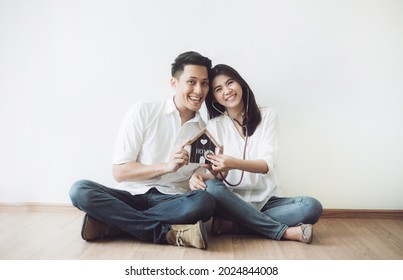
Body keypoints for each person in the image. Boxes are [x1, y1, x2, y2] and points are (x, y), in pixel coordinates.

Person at [69, 51, 216, 250]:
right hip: (130, 197)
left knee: (205, 203)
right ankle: (166, 233)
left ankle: (114, 224)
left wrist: (208, 176)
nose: (199, 90)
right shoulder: (143, 112)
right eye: (191, 82)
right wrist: (166, 167)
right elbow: (120, 172)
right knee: (80, 190)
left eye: (204, 83)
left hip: (171, 201)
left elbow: (198, 180)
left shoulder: (204, 131)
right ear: (174, 83)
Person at [190, 64, 323, 244]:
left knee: (311, 207)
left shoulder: (268, 115)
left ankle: (233, 226)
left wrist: (232, 162)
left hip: (267, 200)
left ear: (241, 84)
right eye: (218, 89)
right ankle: (283, 232)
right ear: (214, 97)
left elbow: (266, 165)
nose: (227, 91)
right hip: (232, 202)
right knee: (212, 187)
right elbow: (220, 176)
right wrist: (208, 174)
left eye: (230, 83)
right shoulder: (214, 125)